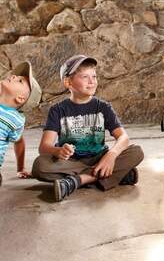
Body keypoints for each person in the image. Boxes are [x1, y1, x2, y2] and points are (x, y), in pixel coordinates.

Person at [32, 55, 144, 201]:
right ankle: (116, 175)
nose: (92, 81)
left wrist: (111, 156)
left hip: (100, 158)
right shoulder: (58, 110)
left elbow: (123, 138)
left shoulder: (103, 107)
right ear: (68, 82)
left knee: (137, 151)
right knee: (39, 166)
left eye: (94, 76)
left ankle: (76, 181)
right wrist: (58, 150)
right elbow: (44, 147)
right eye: (85, 77)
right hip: (71, 163)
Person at [0, 62, 42, 185]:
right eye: (15, 76)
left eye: (20, 81)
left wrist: (21, 168)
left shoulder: (15, 120)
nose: (13, 76)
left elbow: (19, 141)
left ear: (20, 98)